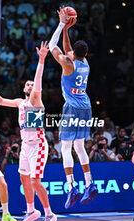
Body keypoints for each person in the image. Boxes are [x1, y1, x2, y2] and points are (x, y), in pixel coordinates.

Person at [0, 42, 57, 221]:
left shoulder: (36, 101)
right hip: (26, 146)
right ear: (23, 89)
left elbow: (38, 81)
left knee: (36, 181)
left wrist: (42, 60)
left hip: (38, 145)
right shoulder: (20, 102)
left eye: (32, 84)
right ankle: (31, 211)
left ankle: (49, 215)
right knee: (24, 179)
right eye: (27, 84)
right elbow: (2, 100)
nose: (30, 85)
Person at [48, 6, 98, 209]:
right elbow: (69, 49)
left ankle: (72, 187)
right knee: (80, 147)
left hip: (72, 108)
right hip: (86, 107)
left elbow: (53, 45)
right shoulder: (85, 63)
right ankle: (90, 183)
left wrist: (62, 24)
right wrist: (68, 31)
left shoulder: (68, 64)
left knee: (66, 148)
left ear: (73, 53)